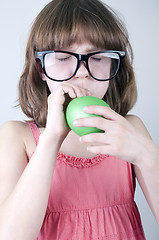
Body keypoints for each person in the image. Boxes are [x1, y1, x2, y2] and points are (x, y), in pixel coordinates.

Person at [0, 0, 159, 239]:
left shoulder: (129, 130)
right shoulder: (17, 137)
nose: (83, 71)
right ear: (41, 69)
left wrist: (147, 156)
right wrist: (52, 137)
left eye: (98, 57)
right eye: (63, 58)